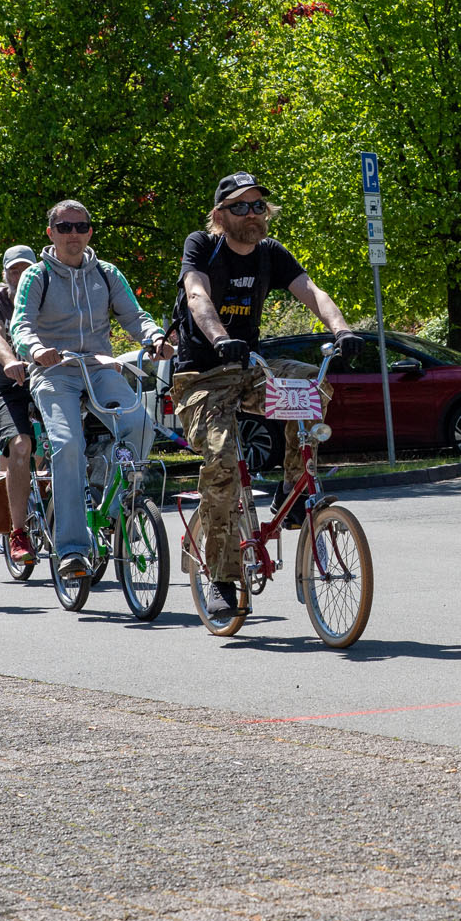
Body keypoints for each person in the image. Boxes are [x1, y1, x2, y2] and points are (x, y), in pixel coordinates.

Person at [169, 172, 362, 615]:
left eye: (258, 205)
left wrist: (342, 329)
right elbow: (197, 295)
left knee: (312, 382)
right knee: (221, 463)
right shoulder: (202, 244)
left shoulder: (270, 253)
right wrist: (218, 338)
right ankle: (221, 576)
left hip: (251, 370)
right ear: (220, 215)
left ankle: (292, 492)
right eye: (240, 207)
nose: (252, 214)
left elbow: (311, 290)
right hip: (202, 378)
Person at [10, 201, 171, 581]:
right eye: (64, 227)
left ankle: (113, 514)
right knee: (68, 447)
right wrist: (35, 350)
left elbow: (134, 317)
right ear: (50, 233)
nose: (74, 234)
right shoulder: (37, 276)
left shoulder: (107, 273)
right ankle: (72, 550)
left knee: (142, 425)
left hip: (98, 367)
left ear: (90, 231)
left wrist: (155, 338)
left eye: (81, 226)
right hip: (55, 371)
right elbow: (21, 325)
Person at [0, 245, 40, 565]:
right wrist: (10, 361)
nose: (21, 275)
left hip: (47, 380)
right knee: (20, 446)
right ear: (5, 275)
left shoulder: (46, 291)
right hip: (4, 385)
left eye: (26, 269)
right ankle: (18, 532)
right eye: (14, 270)